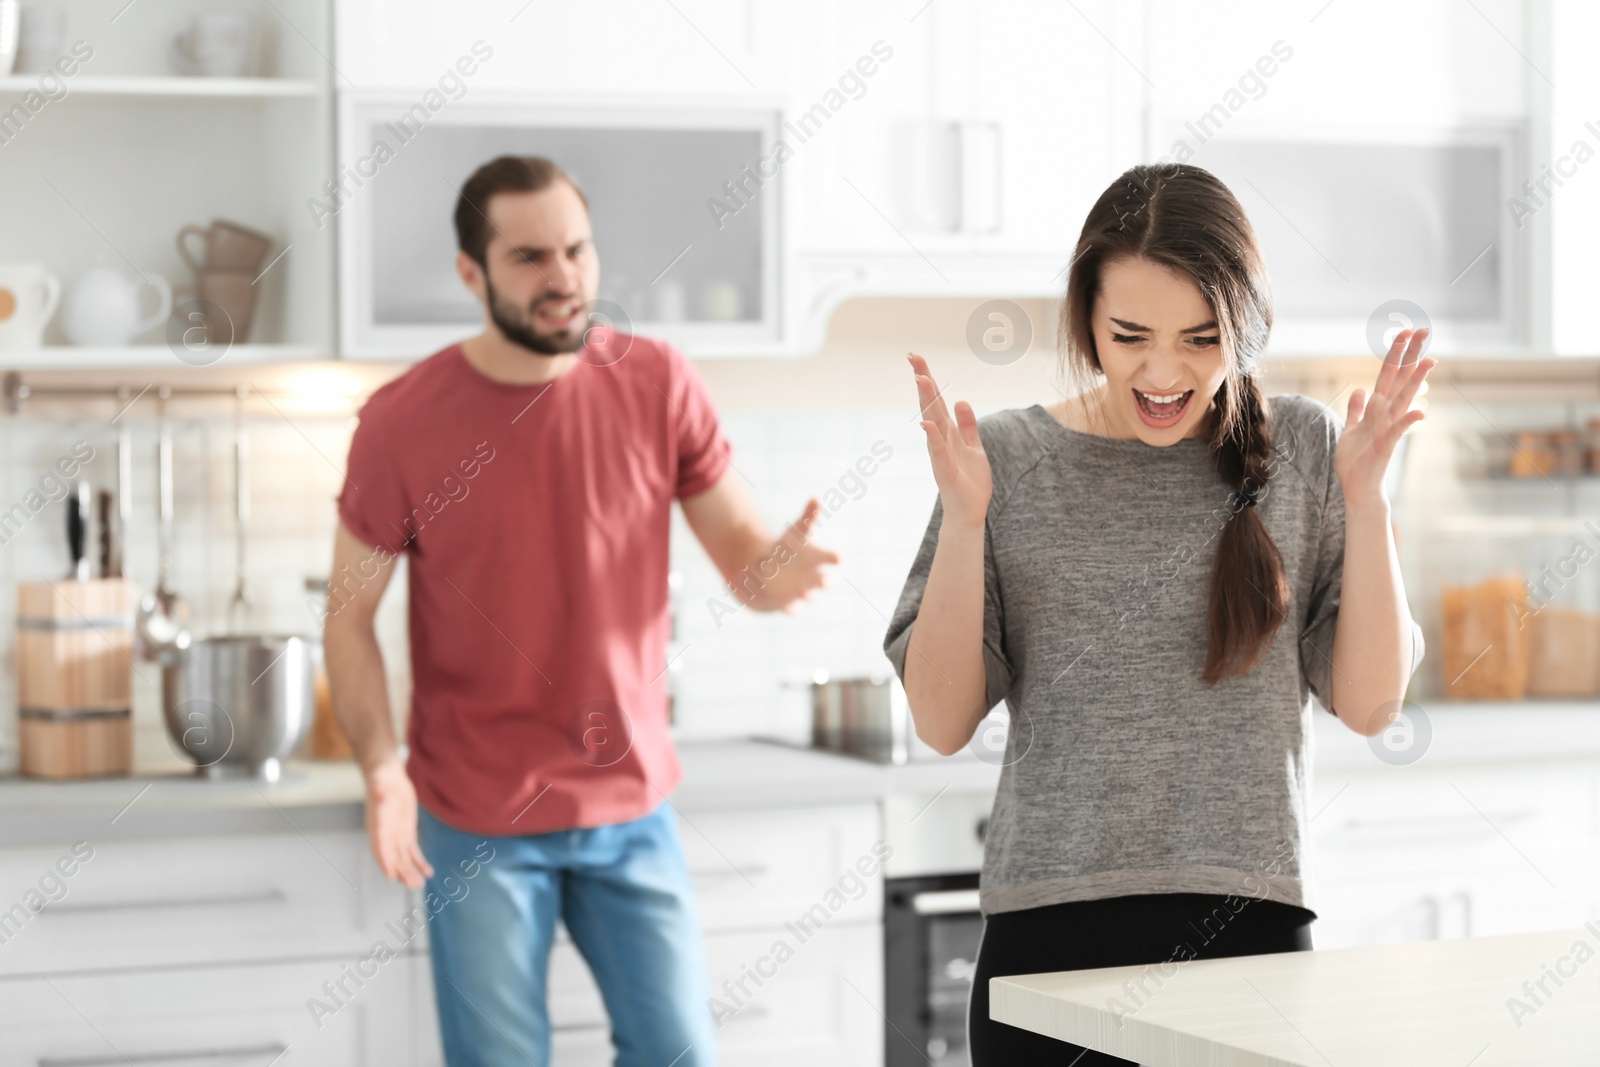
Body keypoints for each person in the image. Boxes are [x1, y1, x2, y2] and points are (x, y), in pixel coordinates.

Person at [883, 163, 1433, 1064]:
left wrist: (1367, 505)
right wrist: (968, 516)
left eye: (1200, 337)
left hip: (1248, 939)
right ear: (1086, 319)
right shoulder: (1007, 460)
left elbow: (1372, 705)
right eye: (1129, 335)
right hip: (1046, 946)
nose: (1165, 371)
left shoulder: (1305, 447)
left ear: (1244, 326)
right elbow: (942, 721)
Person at [325, 155, 838, 1067]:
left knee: (678, 1053)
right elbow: (348, 618)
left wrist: (778, 572)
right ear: (470, 274)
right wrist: (379, 768)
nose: (563, 276)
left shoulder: (657, 383)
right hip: (477, 814)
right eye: (529, 256)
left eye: (577, 249)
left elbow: (745, 562)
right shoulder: (400, 423)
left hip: (629, 803)